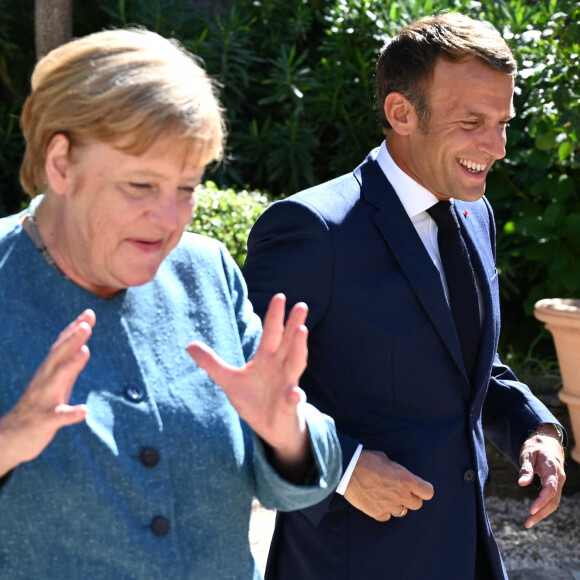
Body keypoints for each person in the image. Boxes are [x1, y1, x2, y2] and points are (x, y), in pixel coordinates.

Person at [0, 28, 341, 579]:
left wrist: (284, 430)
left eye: (186, 188)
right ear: (61, 164)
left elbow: (302, 471)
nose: (169, 219)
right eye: (140, 185)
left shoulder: (206, 270)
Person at [243, 12, 566, 579]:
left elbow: (467, 366)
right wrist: (340, 469)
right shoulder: (310, 230)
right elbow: (245, 389)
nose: (497, 146)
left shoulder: (475, 212)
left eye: (503, 122)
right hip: (346, 563)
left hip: (467, 557)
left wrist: (534, 429)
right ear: (401, 113)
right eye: (472, 122)